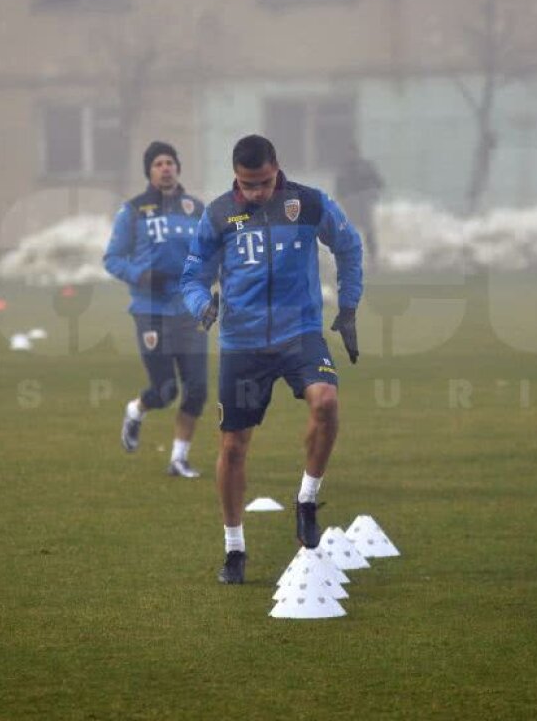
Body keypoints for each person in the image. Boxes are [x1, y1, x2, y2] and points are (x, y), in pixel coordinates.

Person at [181, 134, 363, 584]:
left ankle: (307, 498)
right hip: (242, 344)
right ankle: (234, 549)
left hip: (299, 334)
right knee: (233, 447)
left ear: (277, 167)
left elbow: (349, 245)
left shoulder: (309, 203)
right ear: (235, 177)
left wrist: (349, 305)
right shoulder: (220, 213)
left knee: (326, 403)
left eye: (263, 182)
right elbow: (192, 274)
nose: (256, 192)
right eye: (247, 184)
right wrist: (200, 303)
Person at [104, 141, 208, 478]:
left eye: (170, 162)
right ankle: (136, 410)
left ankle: (178, 459)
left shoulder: (196, 209)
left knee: (197, 389)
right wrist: (142, 275)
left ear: (178, 168)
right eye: (158, 163)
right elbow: (112, 259)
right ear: (149, 172)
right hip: (151, 310)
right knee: (165, 391)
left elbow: (212, 254)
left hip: (189, 310)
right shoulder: (133, 211)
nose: (166, 168)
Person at [334, 139, 384, 266]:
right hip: (350, 204)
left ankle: (373, 258)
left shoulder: (365, 166)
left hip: (363, 201)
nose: (350, 155)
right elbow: (339, 188)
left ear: (357, 152)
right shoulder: (343, 169)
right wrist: (342, 200)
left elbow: (378, 182)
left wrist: (373, 194)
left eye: (352, 152)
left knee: (368, 231)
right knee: (350, 232)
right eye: (348, 153)